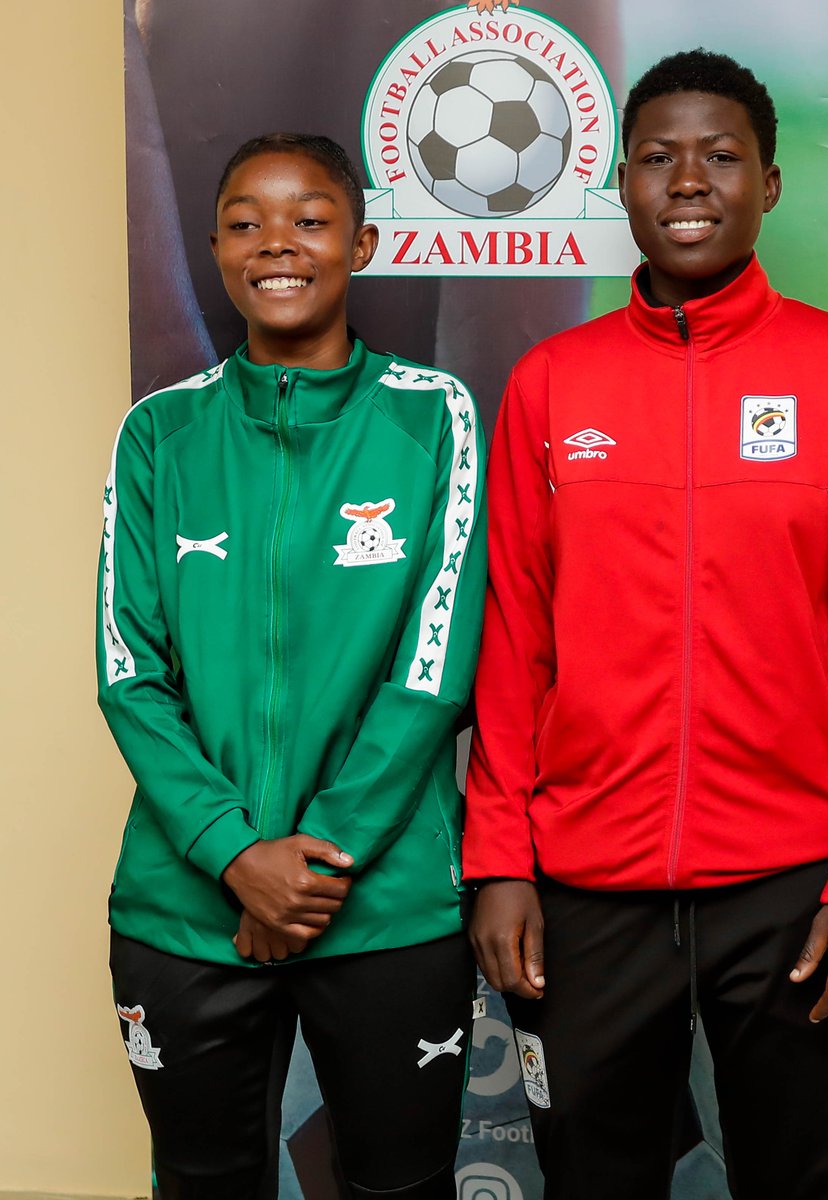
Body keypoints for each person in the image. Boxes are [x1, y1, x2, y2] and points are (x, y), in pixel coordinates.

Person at [464, 49, 828, 1200]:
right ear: (619, 182)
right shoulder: (549, 383)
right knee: (592, 1177)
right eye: (659, 157)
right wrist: (500, 861)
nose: (689, 181)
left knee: (798, 1176)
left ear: (768, 184)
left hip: (793, 883)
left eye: (721, 156)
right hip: (585, 882)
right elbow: (514, 638)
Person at [98, 132, 486, 1200]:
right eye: (243, 221)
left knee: (398, 1188)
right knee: (202, 1182)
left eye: (310, 219)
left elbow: (439, 663)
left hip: (384, 906)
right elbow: (128, 670)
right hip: (187, 911)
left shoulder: (431, 415)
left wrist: (313, 863)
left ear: (359, 242)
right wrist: (234, 855)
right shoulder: (159, 436)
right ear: (216, 248)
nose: (277, 243)